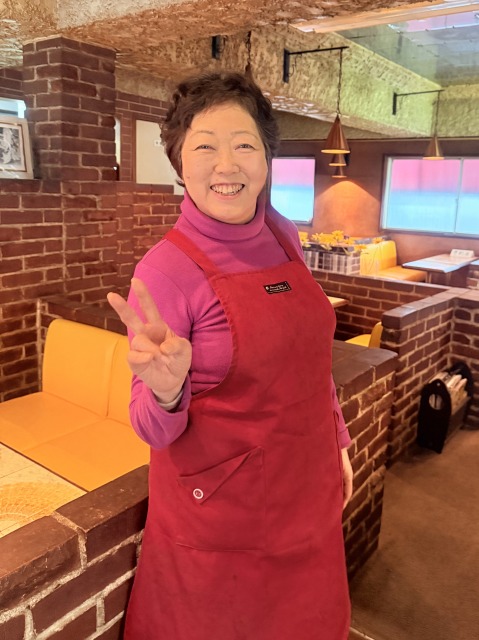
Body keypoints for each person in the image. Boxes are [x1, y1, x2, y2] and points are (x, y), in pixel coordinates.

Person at [107, 71, 353, 640]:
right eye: (204, 147)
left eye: (244, 144)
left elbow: (310, 361)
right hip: (220, 521)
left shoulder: (283, 234)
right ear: (179, 162)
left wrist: (337, 438)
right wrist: (167, 390)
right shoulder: (165, 271)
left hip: (308, 489)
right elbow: (151, 428)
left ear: (267, 157)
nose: (227, 165)